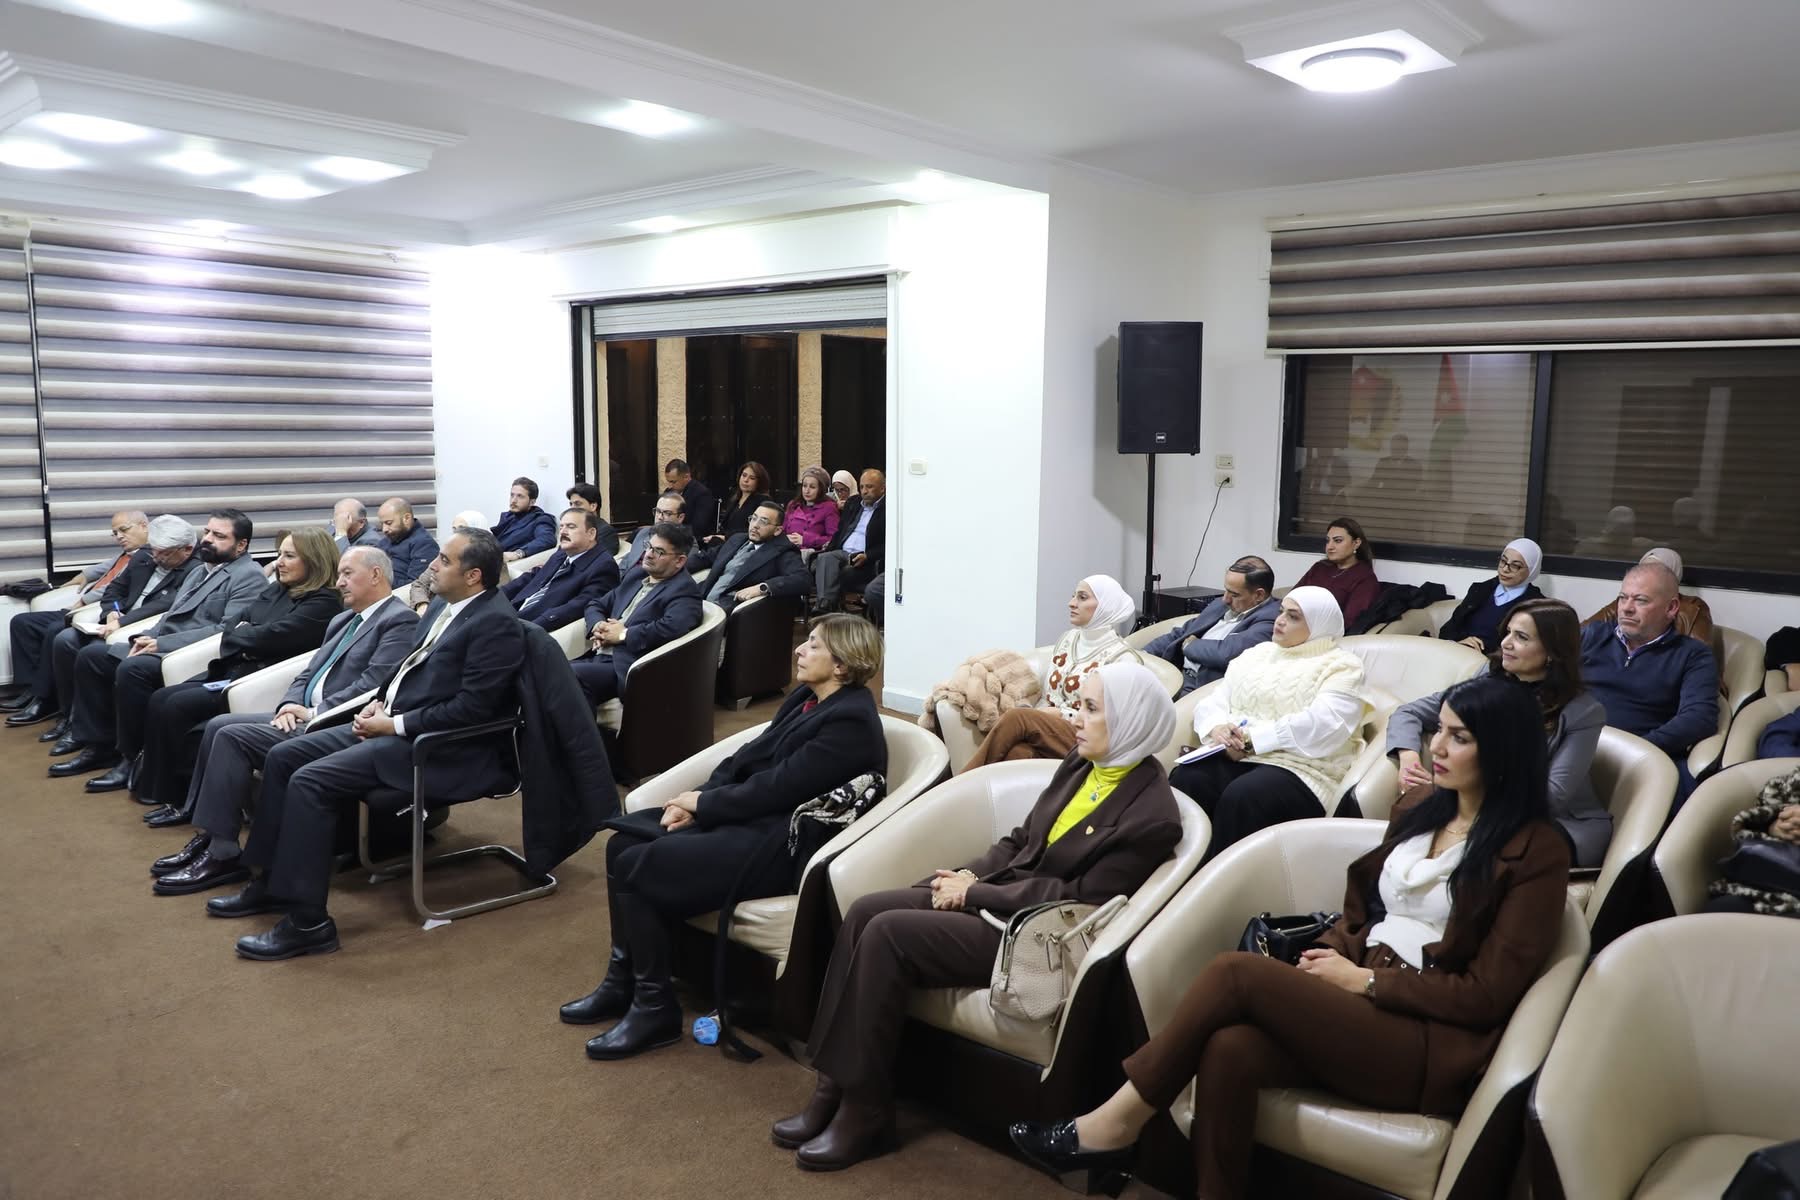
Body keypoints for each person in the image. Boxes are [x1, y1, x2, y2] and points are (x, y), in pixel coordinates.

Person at [1010, 676, 1569, 1200]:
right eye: (1439, 729)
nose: (1436, 746)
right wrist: (1335, 955)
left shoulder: (1536, 850)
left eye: (1459, 737)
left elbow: (1487, 994)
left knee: (1234, 973)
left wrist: (1366, 982)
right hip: (1361, 998)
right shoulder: (1420, 809)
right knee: (1230, 1048)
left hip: (1426, 1038)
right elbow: (1365, 911)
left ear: (1503, 750)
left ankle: (1115, 1123)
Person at [776, 662, 1183, 1171]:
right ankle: (831, 1088)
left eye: (1091, 709)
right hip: (1000, 897)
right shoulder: (1083, 763)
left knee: (887, 934)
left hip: (1032, 933)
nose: (1074, 718)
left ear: (1131, 721)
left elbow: (1077, 897)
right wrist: (966, 875)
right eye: (1079, 705)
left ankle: (865, 1109)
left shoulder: (1152, 815)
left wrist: (975, 893)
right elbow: (1021, 841)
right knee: (864, 911)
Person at [564, 615, 887, 1061]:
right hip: (752, 819)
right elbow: (746, 758)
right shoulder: (808, 698)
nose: (799, 649)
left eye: (813, 645)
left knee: (643, 863)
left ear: (842, 665)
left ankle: (655, 1009)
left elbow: (778, 789)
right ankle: (624, 980)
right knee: (623, 844)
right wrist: (694, 800)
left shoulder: (851, 723)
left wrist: (704, 806)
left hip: (782, 842)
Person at [216, 529, 524, 960]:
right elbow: (408, 669)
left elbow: (474, 710)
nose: (432, 565)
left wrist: (394, 724)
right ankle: (269, 881)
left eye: (444, 560)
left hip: (435, 746)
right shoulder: (444, 605)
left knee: (310, 781)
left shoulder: (496, 624)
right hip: (392, 722)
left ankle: (309, 923)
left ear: (473, 576)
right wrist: (380, 701)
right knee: (283, 756)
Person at [147, 546, 420, 882]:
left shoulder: (399, 620)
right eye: (339, 574)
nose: (339, 582)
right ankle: (211, 837)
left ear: (376, 575)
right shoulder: (343, 619)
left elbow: (372, 685)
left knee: (230, 735)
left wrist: (313, 711)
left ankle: (222, 852)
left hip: (337, 722)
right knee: (217, 726)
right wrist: (288, 704)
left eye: (348, 574)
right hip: (302, 713)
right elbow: (307, 673)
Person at [101, 528, 343, 800]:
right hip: (234, 668)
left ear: (313, 560)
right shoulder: (278, 589)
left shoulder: (324, 602)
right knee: (162, 697)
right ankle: (155, 786)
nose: (279, 563)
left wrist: (245, 634)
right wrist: (245, 635)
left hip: (256, 681)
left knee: (176, 705)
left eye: (289, 556)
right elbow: (232, 626)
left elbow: (268, 637)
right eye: (280, 554)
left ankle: (176, 795)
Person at [1389, 599, 1611, 865]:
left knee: (1480, 845)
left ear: (1552, 651)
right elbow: (1409, 712)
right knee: (1411, 808)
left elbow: (1551, 796)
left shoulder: (1583, 711)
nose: (1506, 643)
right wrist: (1409, 759)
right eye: (1507, 632)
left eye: (1521, 637)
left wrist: (1468, 795)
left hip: (1555, 822)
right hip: (1477, 806)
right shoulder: (1489, 676)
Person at [52, 511, 265, 782]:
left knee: (133, 670)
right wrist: (143, 637)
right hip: (162, 645)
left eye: (219, 536)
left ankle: (132, 757)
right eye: (208, 532)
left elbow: (226, 631)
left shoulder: (249, 576)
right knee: (92, 656)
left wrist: (160, 643)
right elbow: (169, 616)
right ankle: (98, 744)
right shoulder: (200, 570)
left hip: (190, 654)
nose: (207, 539)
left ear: (241, 545)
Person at [1169, 587, 1366, 863]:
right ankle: (1179, 875)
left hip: (1302, 765)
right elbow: (1215, 699)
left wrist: (1253, 740)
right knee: (1188, 778)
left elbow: (1324, 724)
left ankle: (1224, 882)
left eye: (1293, 616)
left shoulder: (1343, 666)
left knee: (1245, 795)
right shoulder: (1258, 653)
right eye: (1281, 611)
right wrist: (1218, 727)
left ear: (1319, 624)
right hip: (1236, 753)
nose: (1280, 620)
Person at [8, 516, 199, 734]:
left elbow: (164, 605)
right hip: (115, 620)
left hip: (140, 626)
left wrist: (122, 622)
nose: (155, 556)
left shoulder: (195, 569)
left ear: (186, 550)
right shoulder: (145, 555)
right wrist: (111, 612)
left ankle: (83, 724)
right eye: (154, 549)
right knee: (64, 639)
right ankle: (67, 714)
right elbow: (114, 589)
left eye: (163, 553)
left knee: (88, 652)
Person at [964, 575, 1144, 768]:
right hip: (1051, 732)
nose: (1071, 603)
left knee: (1017, 717)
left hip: (1090, 739)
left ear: (1105, 606)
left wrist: (1060, 715)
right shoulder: (1068, 639)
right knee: (1019, 752)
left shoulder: (1123, 659)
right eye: (1073, 596)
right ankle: (971, 785)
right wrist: (1039, 714)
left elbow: (1114, 722)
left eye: (1082, 597)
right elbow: (1048, 695)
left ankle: (958, 783)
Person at [2, 510, 149, 717]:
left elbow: (117, 588)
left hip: (95, 611)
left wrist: (84, 600)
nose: (119, 537)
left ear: (144, 526)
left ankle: (45, 698)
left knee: (55, 630)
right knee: (22, 622)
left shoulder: (147, 557)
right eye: (115, 533)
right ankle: (30, 689)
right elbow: (106, 567)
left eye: (124, 530)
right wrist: (83, 575)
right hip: (80, 608)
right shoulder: (127, 553)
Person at [1579, 559, 1717, 767]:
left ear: (1671, 608)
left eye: (1640, 600)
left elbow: (1699, 718)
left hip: (1640, 761)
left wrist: (1637, 750)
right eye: (1622, 598)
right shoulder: (1593, 635)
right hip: (1576, 747)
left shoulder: (1693, 655)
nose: (1626, 608)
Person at [569, 523, 704, 707]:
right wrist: (598, 625)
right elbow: (596, 604)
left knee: (567, 675)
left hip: (628, 666)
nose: (648, 554)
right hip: (598, 655)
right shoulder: (636, 576)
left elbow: (671, 628)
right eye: (649, 546)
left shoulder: (684, 590)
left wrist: (623, 635)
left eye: (659, 552)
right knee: (544, 669)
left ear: (679, 561)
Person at [1142, 557, 1279, 697]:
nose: (1225, 599)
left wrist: (1189, 645)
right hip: (1174, 673)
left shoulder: (1272, 619)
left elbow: (1227, 654)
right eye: (1226, 590)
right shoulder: (1221, 604)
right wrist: (1142, 655)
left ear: (1259, 595)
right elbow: (1183, 633)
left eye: (1234, 594)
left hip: (1200, 688)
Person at [501, 508, 620, 630]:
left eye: (571, 527)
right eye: (562, 526)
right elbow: (535, 575)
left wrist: (527, 630)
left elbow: (576, 607)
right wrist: (496, 595)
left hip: (532, 625)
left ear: (591, 533)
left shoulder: (603, 566)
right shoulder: (564, 552)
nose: (563, 532)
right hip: (510, 612)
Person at [691, 500, 811, 613]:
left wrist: (762, 588)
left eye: (763, 521)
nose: (755, 525)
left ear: (777, 530)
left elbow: (802, 580)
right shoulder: (737, 539)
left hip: (729, 608)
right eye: (753, 518)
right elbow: (705, 558)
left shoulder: (783, 551)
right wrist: (679, 564)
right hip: (701, 599)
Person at [1582, 547, 1714, 648]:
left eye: (1656, 571)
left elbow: (1699, 654)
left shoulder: (1693, 607)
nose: (1628, 607)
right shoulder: (1625, 602)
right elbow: (1580, 633)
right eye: (1642, 569)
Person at [1437, 538, 1545, 655]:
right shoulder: (1480, 590)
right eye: (1503, 561)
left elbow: (1529, 651)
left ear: (1532, 571)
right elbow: (1447, 631)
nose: (1505, 569)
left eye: (1515, 566)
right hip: (1461, 655)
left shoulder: (1536, 605)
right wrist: (1460, 642)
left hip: (1498, 663)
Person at [811, 469, 885, 615]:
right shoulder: (853, 502)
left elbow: (889, 544)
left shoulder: (889, 509)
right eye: (862, 487)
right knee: (824, 558)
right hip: (843, 553)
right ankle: (826, 604)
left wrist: (868, 556)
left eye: (869, 487)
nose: (864, 491)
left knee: (832, 569)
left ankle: (826, 609)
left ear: (882, 488)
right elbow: (840, 532)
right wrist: (828, 549)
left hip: (865, 557)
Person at [1293, 517, 1380, 630]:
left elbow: (1349, 622)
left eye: (1338, 541)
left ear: (1356, 543)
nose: (1330, 547)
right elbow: (1292, 597)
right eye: (1328, 541)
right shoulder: (1320, 567)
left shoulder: (1365, 578)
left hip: (1323, 633)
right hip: (1294, 623)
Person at [376, 497, 438, 589]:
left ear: (407, 518)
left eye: (389, 523)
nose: (384, 529)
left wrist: (379, 582)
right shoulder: (385, 542)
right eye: (382, 524)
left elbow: (416, 586)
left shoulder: (425, 545)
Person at [491, 476, 557, 562]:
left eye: (520, 496)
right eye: (512, 495)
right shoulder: (508, 515)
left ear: (532, 502)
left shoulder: (540, 519)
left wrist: (518, 553)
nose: (513, 500)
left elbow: (547, 539)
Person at [708, 461, 772, 545]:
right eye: (744, 475)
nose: (746, 480)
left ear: (759, 482)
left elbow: (756, 529)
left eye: (752, 478)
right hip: (726, 543)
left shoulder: (763, 501)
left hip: (745, 545)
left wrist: (725, 537)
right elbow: (725, 526)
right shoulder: (735, 498)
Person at [784, 466, 840, 557]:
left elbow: (834, 539)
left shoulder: (829, 507)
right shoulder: (793, 505)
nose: (807, 491)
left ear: (821, 489)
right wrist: (785, 539)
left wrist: (805, 540)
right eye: (804, 486)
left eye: (812, 487)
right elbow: (782, 530)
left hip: (810, 554)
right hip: (786, 549)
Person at [623, 493, 685, 566]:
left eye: (667, 513)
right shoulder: (643, 532)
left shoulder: (686, 545)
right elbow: (627, 560)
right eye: (658, 511)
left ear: (680, 517)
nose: (660, 517)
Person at [664, 459, 716, 539]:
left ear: (686, 477)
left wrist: (672, 532)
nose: (670, 486)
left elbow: (698, 527)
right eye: (668, 482)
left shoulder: (702, 494)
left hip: (692, 539)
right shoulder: (669, 492)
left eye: (673, 482)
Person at [565, 483, 618, 554]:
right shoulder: (571, 528)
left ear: (593, 506)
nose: (572, 508)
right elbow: (560, 554)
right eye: (571, 504)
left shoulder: (605, 532)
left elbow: (601, 558)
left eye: (577, 504)